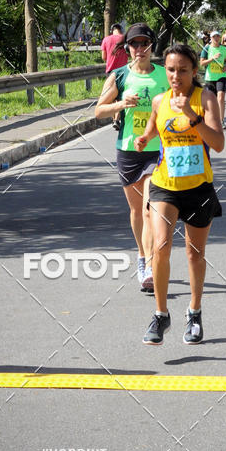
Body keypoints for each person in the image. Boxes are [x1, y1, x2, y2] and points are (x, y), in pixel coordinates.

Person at [135, 43, 224, 345]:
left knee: (194, 254)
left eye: (183, 70)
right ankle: (161, 315)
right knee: (160, 247)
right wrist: (144, 138)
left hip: (198, 188)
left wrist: (191, 115)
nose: (176, 76)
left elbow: (218, 143)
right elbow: (153, 128)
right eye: (171, 70)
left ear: (194, 70)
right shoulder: (159, 101)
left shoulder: (205, 98)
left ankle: (194, 312)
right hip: (165, 186)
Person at [95, 23, 169, 293]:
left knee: (150, 209)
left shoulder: (164, 74)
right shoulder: (119, 76)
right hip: (128, 150)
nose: (140, 49)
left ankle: (149, 266)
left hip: (157, 150)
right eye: (134, 44)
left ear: (152, 46)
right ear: (127, 48)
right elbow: (99, 111)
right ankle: (141, 254)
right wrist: (121, 104)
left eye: (144, 43)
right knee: (137, 211)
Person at [200, 30, 226, 129]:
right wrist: (212, 58)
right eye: (214, 37)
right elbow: (202, 63)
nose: (216, 38)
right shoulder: (207, 49)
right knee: (210, 100)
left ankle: (221, 121)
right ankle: (210, 120)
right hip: (210, 78)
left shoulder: (223, 49)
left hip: (221, 76)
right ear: (211, 38)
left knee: (220, 97)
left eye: (218, 36)